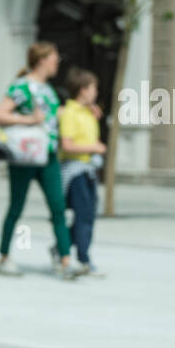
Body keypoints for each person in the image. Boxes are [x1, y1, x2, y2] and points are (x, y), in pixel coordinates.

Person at [0, 42, 74, 278]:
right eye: (54, 58)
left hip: (48, 154)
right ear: (41, 60)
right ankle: (4, 256)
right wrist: (29, 120)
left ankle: (66, 260)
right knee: (16, 206)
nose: (57, 62)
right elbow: (0, 114)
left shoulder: (48, 90)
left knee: (58, 207)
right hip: (24, 156)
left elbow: (53, 117)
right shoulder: (21, 86)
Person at [58, 68, 108, 276]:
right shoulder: (69, 113)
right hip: (75, 171)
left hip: (88, 170)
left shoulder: (89, 113)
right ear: (82, 90)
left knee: (87, 215)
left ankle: (61, 246)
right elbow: (67, 146)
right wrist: (94, 148)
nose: (96, 92)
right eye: (93, 88)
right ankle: (84, 260)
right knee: (83, 215)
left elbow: (88, 138)